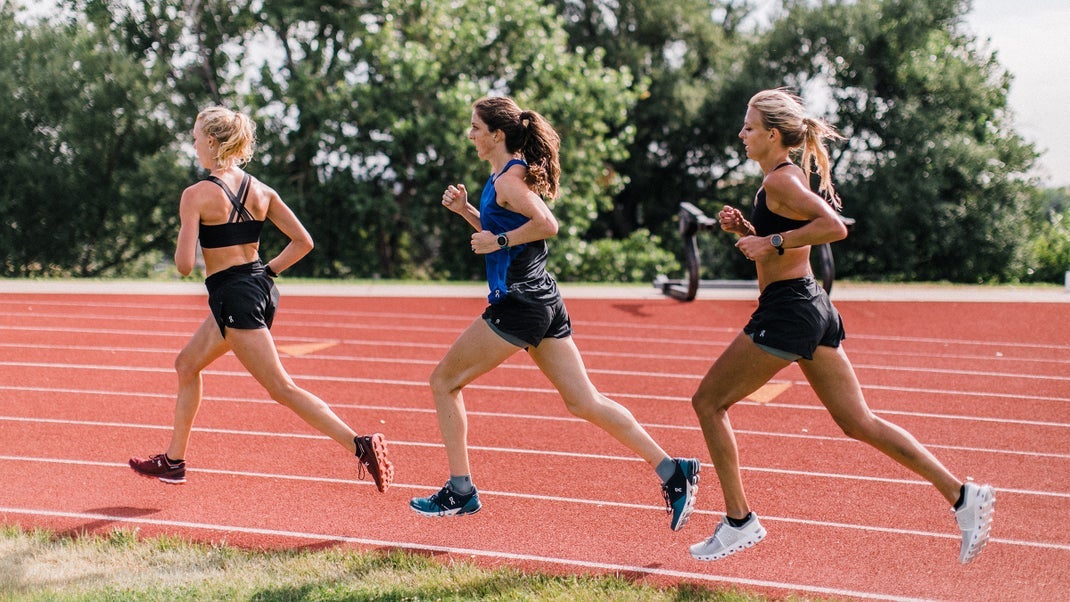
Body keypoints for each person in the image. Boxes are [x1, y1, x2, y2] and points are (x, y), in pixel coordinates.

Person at [687, 88, 995, 563]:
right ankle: (961, 494)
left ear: (772, 134)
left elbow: (834, 227)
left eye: (748, 127)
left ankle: (739, 521)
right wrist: (748, 233)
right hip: (810, 304)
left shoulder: (781, 182)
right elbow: (789, 243)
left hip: (789, 309)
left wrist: (768, 239)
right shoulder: (778, 180)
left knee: (708, 402)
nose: (741, 134)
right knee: (859, 422)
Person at [408, 96, 700, 531]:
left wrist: (498, 244)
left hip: (522, 303)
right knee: (584, 401)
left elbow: (547, 225)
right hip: (543, 300)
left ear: (496, 134)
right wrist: (467, 212)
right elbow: (505, 232)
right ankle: (674, 472)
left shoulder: (510, 181)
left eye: (475, 127)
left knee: (443, 382)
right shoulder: (503, 176)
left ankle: (461, 490)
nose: (470, 135)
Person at [129, 106, 393, 492]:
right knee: (186, 365)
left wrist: (188, 228)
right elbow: (304, 242)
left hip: (233, 298)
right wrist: (267, 272)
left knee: (280, 388)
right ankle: (174, 461)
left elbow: (185, 265)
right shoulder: (262, 190)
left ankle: (359, 444)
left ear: (214, 143)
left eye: (196, 136)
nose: (193, 142)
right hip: (259, 289)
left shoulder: (196, 195)